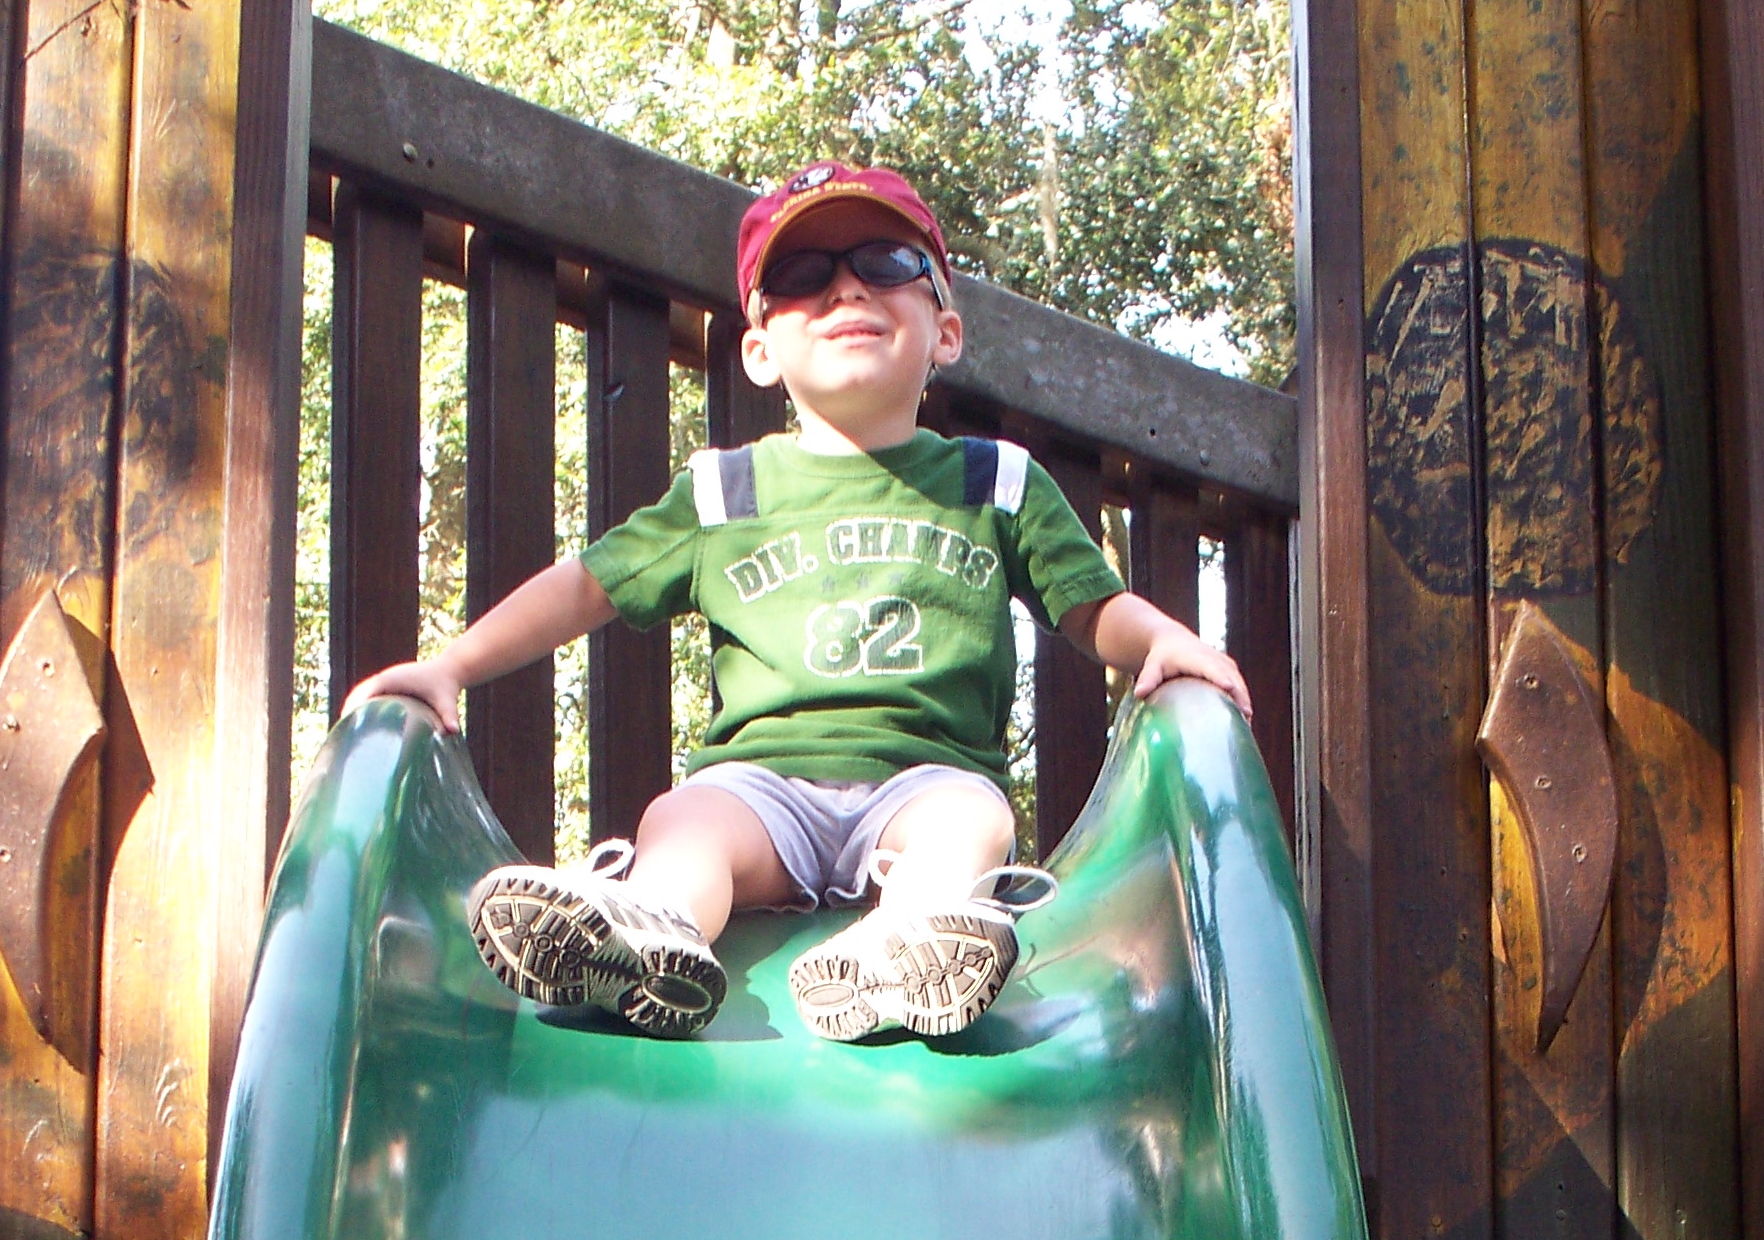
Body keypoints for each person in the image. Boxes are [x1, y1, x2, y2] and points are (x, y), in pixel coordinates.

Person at [344, 163, 1250, 1041]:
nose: (846, 288)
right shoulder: (725, 492)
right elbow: (586, 585)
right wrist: (451, 666)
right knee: (682, 822)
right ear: (760, 350)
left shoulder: (992, 483)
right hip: (761, 786)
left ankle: (907, 945)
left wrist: (1164, 642)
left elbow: (1093, 606)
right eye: (803, 276)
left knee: (974, 820)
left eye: (886, 264)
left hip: (923, 781)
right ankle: (648, 935)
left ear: (946, 332)